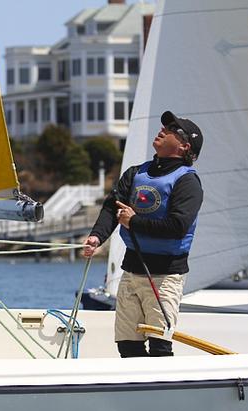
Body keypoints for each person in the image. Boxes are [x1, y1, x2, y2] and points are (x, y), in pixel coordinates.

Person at [83, 111, 204, 358]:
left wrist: (134, 221)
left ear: (184, 146)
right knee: (127, 344)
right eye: (165, 126)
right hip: (132, 269)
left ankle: (163, 395)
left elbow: (177, 226)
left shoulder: (187, 182)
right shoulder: (136, 173)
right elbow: (111, 207)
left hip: (165, 275)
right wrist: (97, 237)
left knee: (160, 346)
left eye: (172, 129)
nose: (163, 129)